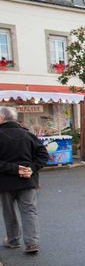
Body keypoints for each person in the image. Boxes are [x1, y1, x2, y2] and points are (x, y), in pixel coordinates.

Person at [0, 106, 49, 254]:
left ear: (2, 118)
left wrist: (15, 169)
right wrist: (31, 168)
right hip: (28, 181)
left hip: (5, 182)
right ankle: (32, 243)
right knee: (29, 211)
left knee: (9, 212)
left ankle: (13, 240)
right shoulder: (29, 135)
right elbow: (43, 156)